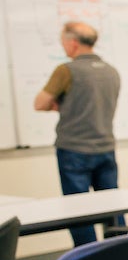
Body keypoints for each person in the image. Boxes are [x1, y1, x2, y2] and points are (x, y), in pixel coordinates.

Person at [34, 21, 123, 246]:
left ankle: (87, 256)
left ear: (73, 43)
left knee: (78, 210)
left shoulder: (66, 70)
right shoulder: (111, 71)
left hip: (74, 150)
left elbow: (40, 103)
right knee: (113, 206)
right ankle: (121, 251)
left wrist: (60, 104)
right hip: (105, 147)